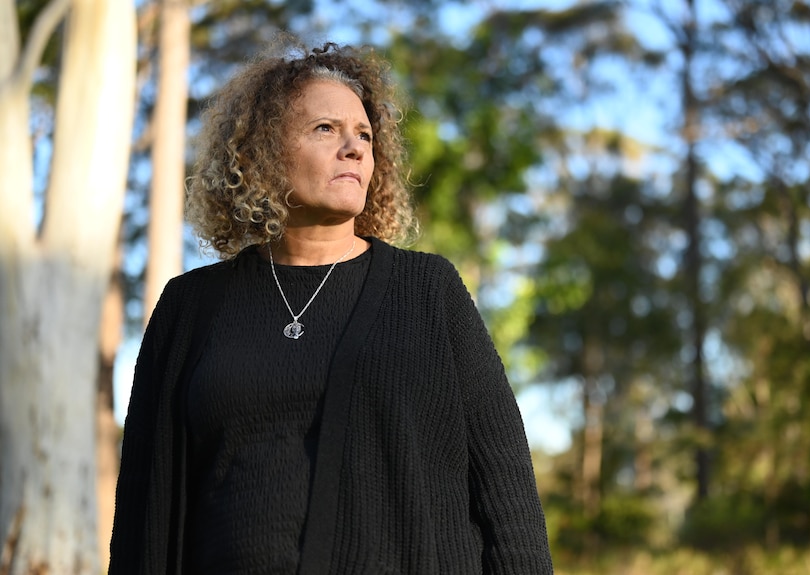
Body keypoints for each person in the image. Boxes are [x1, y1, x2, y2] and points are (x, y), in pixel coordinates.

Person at [109, 39, 553, 575]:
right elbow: (142, 510)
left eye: (364, 135)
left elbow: (508, 497)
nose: (355, 149)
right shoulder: (191, 307)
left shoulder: (430, 292)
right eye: (326, 129)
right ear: (263, 152)